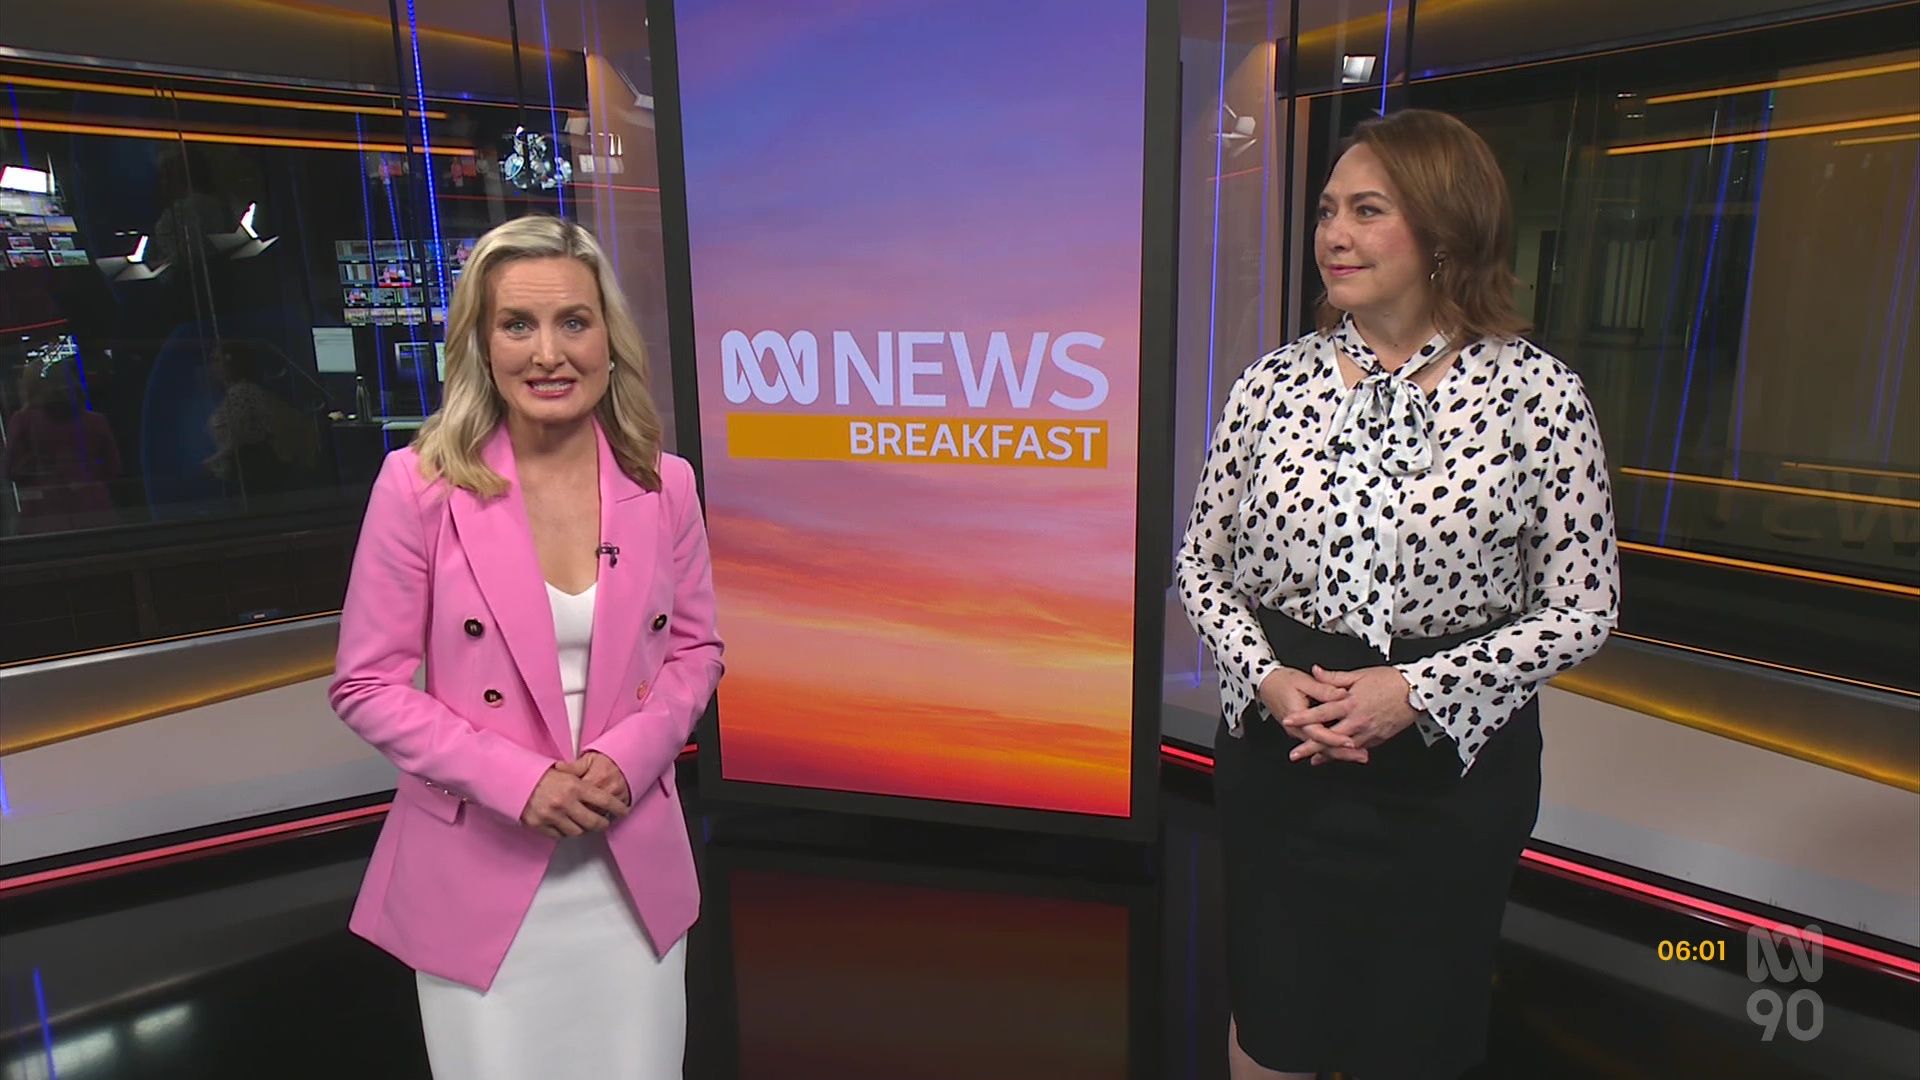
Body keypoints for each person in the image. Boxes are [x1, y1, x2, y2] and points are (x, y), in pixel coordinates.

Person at [1177, 109, 1619, 1080]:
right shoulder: (1268, 387)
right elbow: (1200, 567)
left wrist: (1415, 691)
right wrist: (1266, 680)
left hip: (1450, 775)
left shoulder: (1540, 397)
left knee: (1416, 1037)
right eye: (1327, 210)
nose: (1334, 234)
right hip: (1285, 757)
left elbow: (1585, 608)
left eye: (1367, 210)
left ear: (1445, 230)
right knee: (1274, 1021)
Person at [329, 215, 724, 1078]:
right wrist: (520, 782)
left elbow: (698, 651)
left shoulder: (664, 484)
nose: (549, 354)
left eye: (573, 322)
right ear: (482, 344)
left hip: (629, 872)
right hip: (481, 868)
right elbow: (366, 685)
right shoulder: (420, 487)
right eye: (518, 325)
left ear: (609, 341)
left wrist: (629, 757)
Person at [3, 358, 121, 533]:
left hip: (43, 515)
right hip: (94, 511)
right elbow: (113, 469)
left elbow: (10, 470)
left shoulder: (23, 421)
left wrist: (39, 471)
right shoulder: (96, 422)